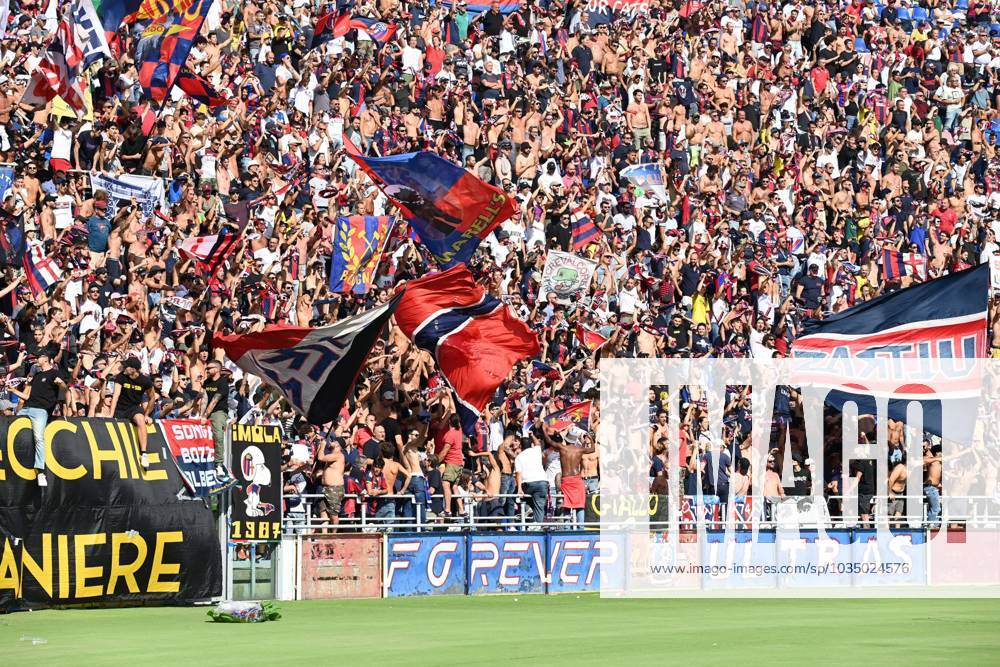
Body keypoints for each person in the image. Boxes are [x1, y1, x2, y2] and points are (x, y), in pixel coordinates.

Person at [7, 352, 65, 486]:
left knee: (39, 438)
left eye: (39, 357)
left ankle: (40, 472)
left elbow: (64, 388)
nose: (36, 360)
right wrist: (14, 391)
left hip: (40, 411)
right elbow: (28, 398)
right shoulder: (37, 376)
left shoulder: (54, 373)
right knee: (9, 426)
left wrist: (61, 384)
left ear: (46, 360)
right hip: (27, 408)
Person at [108, 357, 156, 468]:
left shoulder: (145, 381)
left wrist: (147, 414)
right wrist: (111, 414)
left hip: (134, 408)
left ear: (134, 369)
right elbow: (115, 396)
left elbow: (152, 397)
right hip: (120, 408)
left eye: (127, 366)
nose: (124, 368)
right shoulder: (121, 377)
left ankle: (144, 454)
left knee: (140, 419)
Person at [202, 360, 231, 479]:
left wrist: (205, 416)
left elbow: (214, 401)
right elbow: (204, 399)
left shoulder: (223, 383)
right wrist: (201, 415)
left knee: (218, 435)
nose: (207, 370)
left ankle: (219, 464)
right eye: (206, 368)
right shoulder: (207, 382)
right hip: (207, 411)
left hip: (219, 412)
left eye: (209, 368)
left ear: (217, 369)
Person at [515, 432, 549, 524]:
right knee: (539, 507)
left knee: (514, 495)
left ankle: (527, 508)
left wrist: (519, 489)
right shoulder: (536, 451)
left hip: (528, 484)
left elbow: (518, 473)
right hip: (542, 482)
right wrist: (532, 435)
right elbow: (538, 443)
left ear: (521, 446)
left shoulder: (519, 457)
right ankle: (537, 527)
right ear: (531, 445)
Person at [317, 439, 345, 532]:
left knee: (333, 514)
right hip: (325, 488)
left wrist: (323, 445)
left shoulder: (338, 455)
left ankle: (334, 534)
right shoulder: (331, 455)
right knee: (323, 512)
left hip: (334, 489)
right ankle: (324, 535)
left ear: (339, 446)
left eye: (335, 441)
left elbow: (321, 457)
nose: (332, 441)